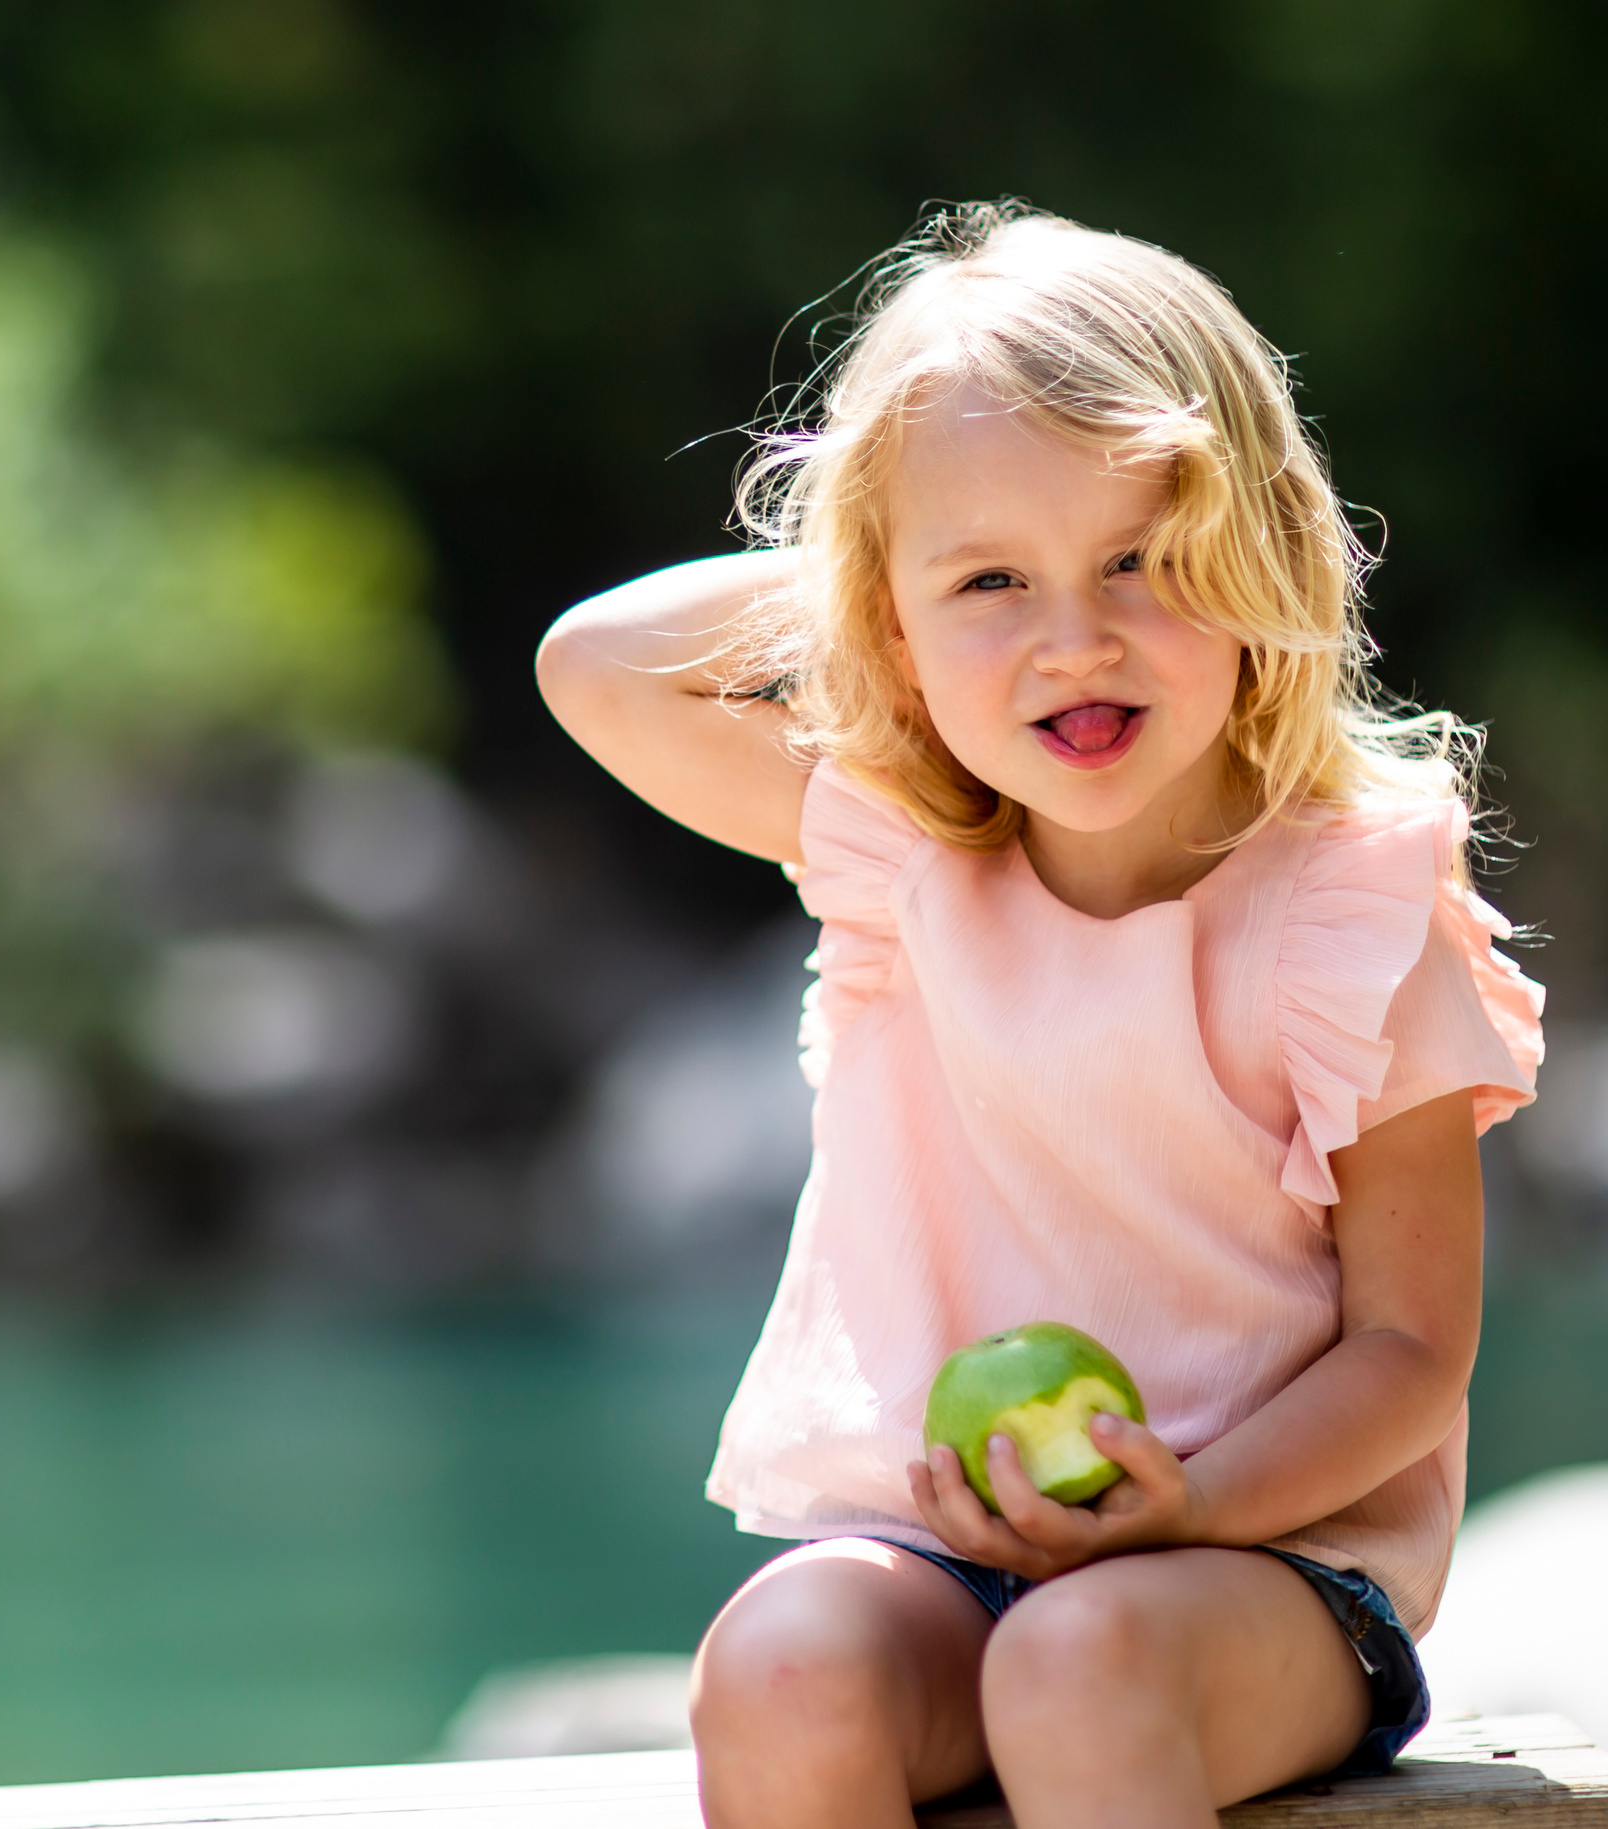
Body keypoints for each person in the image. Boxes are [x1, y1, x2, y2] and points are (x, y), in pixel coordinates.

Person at [535, 204, 1543, 1829]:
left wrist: (1190, 1503)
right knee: (780, 1670)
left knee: (1080, 1662)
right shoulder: (905, 861)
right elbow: (596, 665)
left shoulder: (1348, 916)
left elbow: (1412, 1350)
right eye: (993, 580)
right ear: (891, 624)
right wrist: (884, 548)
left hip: (1267, 1565)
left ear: (1263, 556)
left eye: (1142, 559)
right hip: (941, 1548)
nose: (1075, 638)